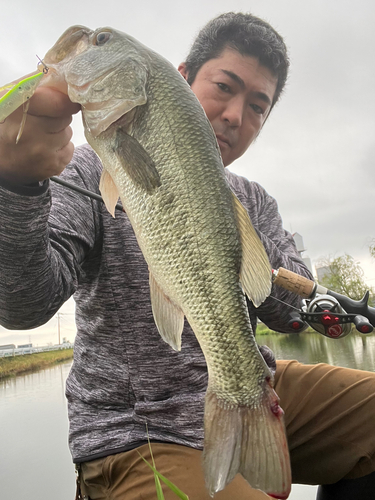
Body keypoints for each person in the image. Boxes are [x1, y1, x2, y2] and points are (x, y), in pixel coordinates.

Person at [0, 12, 374, 500]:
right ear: (179, 80)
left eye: (258, 106)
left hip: (251, 380)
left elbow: (284, 316)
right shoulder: (80, 167)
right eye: (224, 86)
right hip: (138, 427)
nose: (236, 115)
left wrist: (272, 266)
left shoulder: (254, 200)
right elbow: (24, 305)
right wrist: (18, 185)